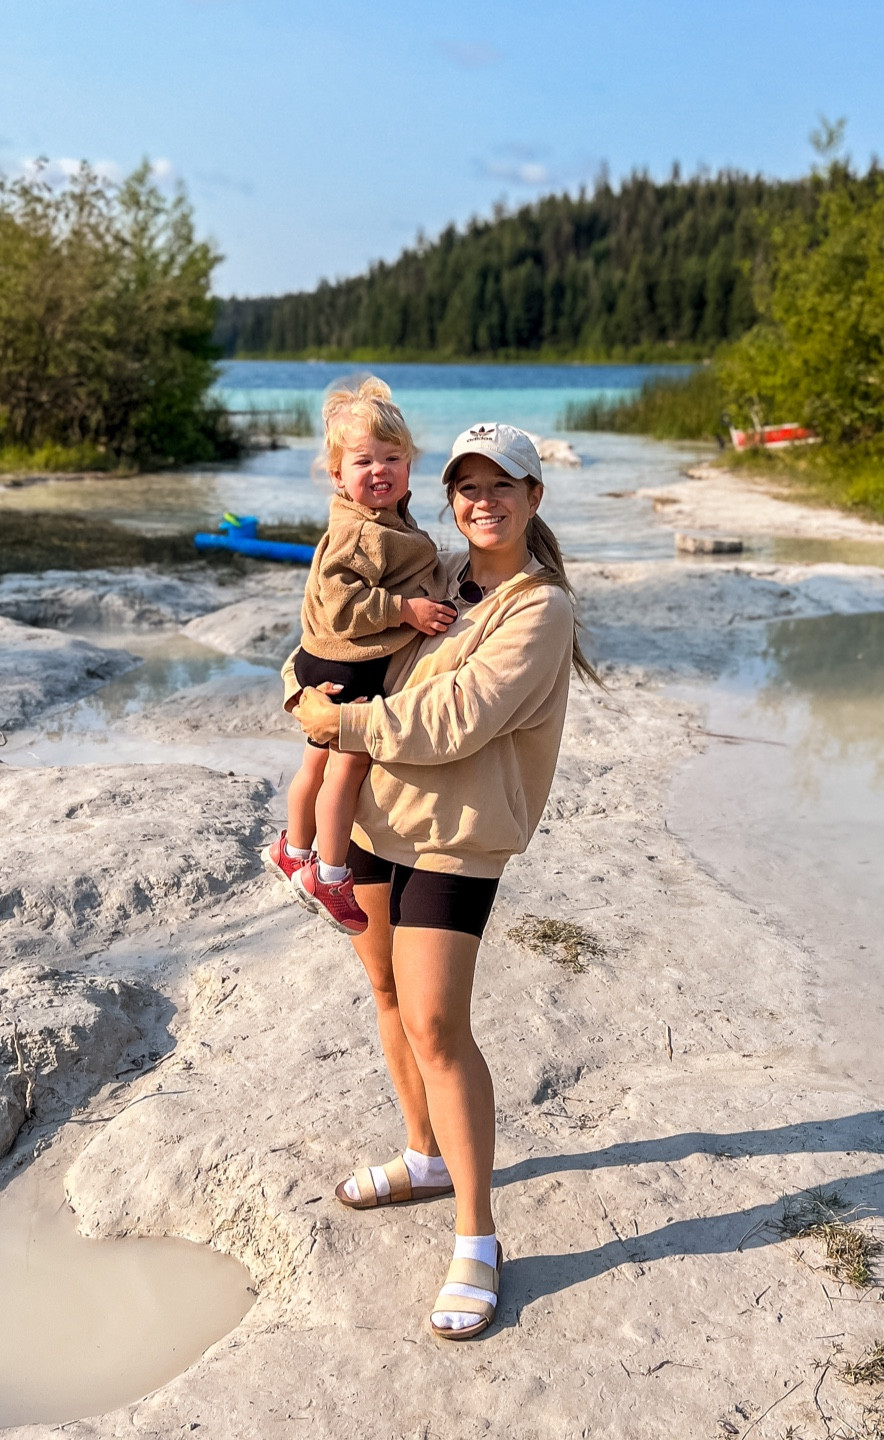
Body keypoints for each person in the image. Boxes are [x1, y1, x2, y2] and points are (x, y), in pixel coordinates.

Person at [287, 421, 598, 1340]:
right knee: (385, 992)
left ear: (535, 497)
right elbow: (336, 638)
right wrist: (301, 693)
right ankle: (423, 1156)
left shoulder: (539, 609)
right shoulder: (434, 578)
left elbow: (454, 719)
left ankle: (478, 1236)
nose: (482, 501)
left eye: (503, 486)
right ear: (449, 496)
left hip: (457, 838)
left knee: (436, 1024)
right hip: (377, 820)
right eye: (467, 486)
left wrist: (332, 728)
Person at [263, 377, 454, 935]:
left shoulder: (378, 521)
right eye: (364, 461)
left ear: (411, 466)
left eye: (393, 458)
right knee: (345, 767)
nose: (381, 471)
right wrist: (406, 611)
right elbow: (343, 599)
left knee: (314, 764)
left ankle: (293, 851)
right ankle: (331, 870)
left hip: (322, 660)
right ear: (338, 475)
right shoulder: (359, 533)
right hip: (346, 665)